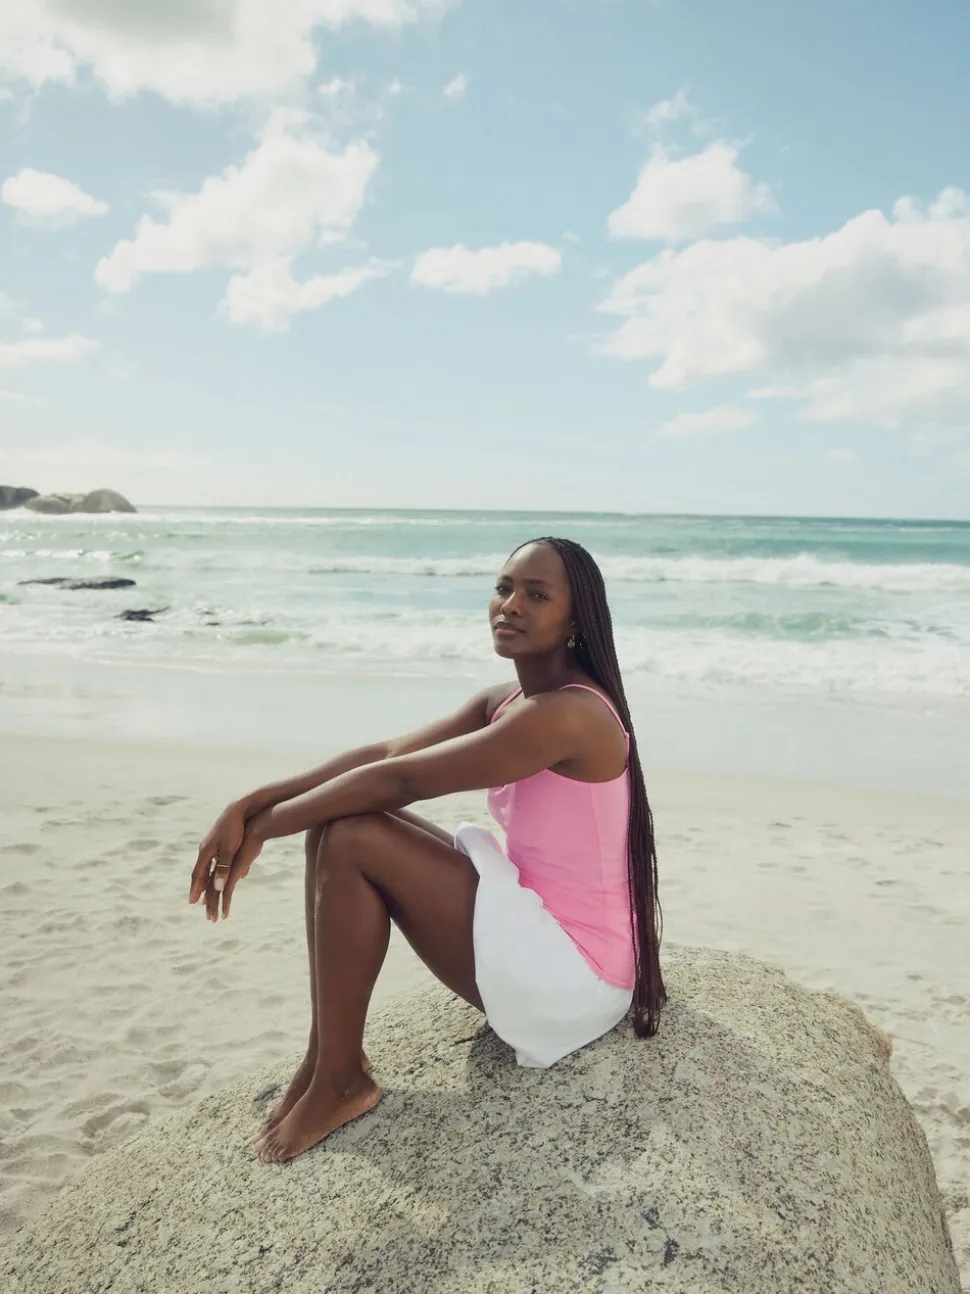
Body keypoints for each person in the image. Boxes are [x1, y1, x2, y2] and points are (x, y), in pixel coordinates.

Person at [190, 537, 666, 1164]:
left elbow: (403, 781)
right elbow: (388, 755)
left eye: (537, 595)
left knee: (353, 835)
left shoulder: (567, 716)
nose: (511, 605)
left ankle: (341, 1080)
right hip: (541, 929)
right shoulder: (508, 700)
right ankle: (328, 1057)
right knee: (336, 823)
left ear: (575, 620)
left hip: (575, 979)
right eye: (504, 588)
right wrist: (251, 803)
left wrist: (260, 830)